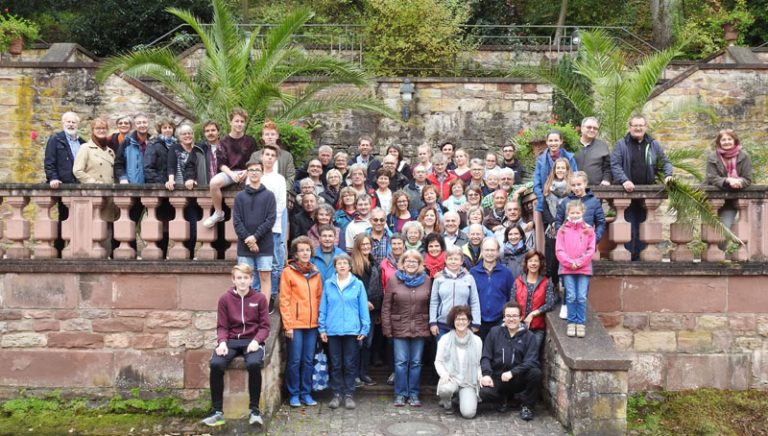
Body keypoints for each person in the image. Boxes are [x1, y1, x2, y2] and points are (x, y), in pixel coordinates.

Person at [202, 264, 270, 428]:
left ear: (251, 279)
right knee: (216, 363)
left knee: (253, 364)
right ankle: (217, 411)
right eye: (239, 278)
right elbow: (222, 326)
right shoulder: (225, 299)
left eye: (246, 278)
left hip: (252, 341)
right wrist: (222, 342)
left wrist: (256, 341)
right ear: (233, 280)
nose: (242, 281)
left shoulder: (259, 298)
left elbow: (265, 327)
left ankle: (254, 411)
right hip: (231, 341)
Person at [610, 115, 673, 260]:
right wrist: (624, 180)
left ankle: (639, 259)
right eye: (635, 125)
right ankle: (627, 259)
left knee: (643, 228)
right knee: (629, 227)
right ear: (629, 127)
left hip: (646, 195)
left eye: (641, 125)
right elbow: (615, 165)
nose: (638, 128)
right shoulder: (621, 144)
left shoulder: (653, 144)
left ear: (646, 127)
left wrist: (668, 174)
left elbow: (666, 162)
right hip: (627, 194)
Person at [319, 254, 371, 410]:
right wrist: (322, 328)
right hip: (333, 330)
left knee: (349, 364)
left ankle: (348, 394)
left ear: (350, 266)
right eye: (339, 263)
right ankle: (336, 394)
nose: (341, 266)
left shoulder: (358, 284)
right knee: (335, 364)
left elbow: (363, 308)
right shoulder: (328, 284)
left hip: (351, 331)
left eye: (344, 263)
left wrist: (365, 327)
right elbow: (323, 307)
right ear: (335, 267)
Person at [382, 249, 432, 407]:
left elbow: (431, 305)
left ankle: (414, 394)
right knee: (401, 362)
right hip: (399, 327)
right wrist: (387, 328)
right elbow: (386, 306)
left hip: (419, 326)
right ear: (402, 263)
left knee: (416, 362)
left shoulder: (427, 280)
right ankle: (400, 394)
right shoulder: (393, 279)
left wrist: (431, 325)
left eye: (414, 262)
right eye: (408, 261)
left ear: (419, 264)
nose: (411, 264)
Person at [479, 302, 542, 421]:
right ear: (504, 317)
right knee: (483, 393)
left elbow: (532, 361)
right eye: (508, 316)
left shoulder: (529, 336)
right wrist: (486, 374)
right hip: (498, 377)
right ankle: (503, 398)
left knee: (535, 373)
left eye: (514, 316)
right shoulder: (494, 332)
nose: (511, 319)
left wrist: (512, 372)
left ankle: (527, 406)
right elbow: (486, 356)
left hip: (518, 378)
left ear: (521, 317)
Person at [280, 236, 323, 407]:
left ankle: (306, 393)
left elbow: (319, 299)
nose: (305, 253)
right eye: (301, 250)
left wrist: (320, 323)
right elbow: (284, 300)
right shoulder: (288, 272)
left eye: (307, 250)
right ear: (295, 254)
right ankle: (294, 394)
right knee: (295, 360)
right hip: (295, 325)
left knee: (308, 360)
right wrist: (287, 325)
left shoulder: (316, 272)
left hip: (312, 325)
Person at [232, 156, 277, 306]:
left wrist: (255, 238)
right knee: (244, 278)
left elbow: (270, 220)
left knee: (265, 276)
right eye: (251, 170)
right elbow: (237, 221)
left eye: (257, 170)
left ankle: (262, 311)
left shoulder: (269, 195)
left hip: (264, 243)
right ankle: (246, 309)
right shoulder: (239, 197)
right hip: (244, 244)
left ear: (262, 173)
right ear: (247, 173)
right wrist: (249, 241)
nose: (254, 173)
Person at [204, 108, 258, 228]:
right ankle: (218, 213)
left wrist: (247, 171)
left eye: (242, 121)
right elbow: (221, 164)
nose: (239, 124)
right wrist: (232, 174)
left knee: (255, 185)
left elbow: (255, 161)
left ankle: (253, 215)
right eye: (236, 121)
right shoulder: (223, 142)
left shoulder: (250, 141)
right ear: (231, 122)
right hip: (229, 172)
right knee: (214, 183)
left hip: (247, 172)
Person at [556, 200, 596, 338]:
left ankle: (581, 322)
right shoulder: (562, 230)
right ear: (568, 213)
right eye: (572, 212)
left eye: (577, 212)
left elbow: (591, 249)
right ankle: (571, 322)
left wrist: (579, 262)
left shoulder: (588, 229)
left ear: (582, 212)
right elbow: (559, 250)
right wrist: (569, 262)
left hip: (583, 268)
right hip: (568, 269)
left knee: (581, 296)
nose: (574, 215)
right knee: (571, 296)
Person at [435, 305, 483, 418]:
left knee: (469, 414)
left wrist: (480, 377)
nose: (461, 322)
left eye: (464, 319)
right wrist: (444, 374)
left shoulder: (477, 341)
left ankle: (461, 398)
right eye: (458, 319)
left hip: (468, 381)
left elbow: (479, 363)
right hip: (451, 378)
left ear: (469, 321)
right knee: (445, 389)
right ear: (453, 321)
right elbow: (438, 361)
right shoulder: (445, 339)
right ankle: (448, 404)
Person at [257, 142, 289, 310]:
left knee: (275, 263)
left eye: (272, 155)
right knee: (257, 263)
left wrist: (269, 223)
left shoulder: (279, 179)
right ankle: (257, 295)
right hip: (255, 229)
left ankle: (272, 295)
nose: (269, 158)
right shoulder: (255, 175)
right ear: (262, 157)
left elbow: (280, 204)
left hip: (274, 227)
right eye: (266, 155)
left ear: (275, 159)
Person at [350, 234, 383, 387]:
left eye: (367, 244)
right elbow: (352, 289)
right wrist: (364, 302)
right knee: (358, 343)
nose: (365, 247)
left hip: (372, 309)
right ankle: (355, 374)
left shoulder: (374, 262)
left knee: (368, 343)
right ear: (357, 246)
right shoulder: (353, 265)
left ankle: (364, 373)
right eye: (362, 245)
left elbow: (377, 286)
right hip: (357, 310)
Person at [165, 124, 202, 258]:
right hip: (181, 193)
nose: (187, 136)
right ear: (179, 136)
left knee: (196, 227)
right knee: (185, 227)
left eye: (189, 133)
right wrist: (170, 179)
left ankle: (189, 255)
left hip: (197, 193)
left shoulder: (198, 149)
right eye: (184, 134)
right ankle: (186, 256)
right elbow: (171, 164)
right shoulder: (175, 148)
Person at [705, 129, 752, 231]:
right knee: (710, 230)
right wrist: (727, 180)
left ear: (735, 140)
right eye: (723, 140)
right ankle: (714, 248)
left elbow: (747, 179)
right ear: (719, 142)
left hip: (731, 200)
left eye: (729, 139)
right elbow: (712, 177)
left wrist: (739, 182)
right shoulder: (712, 157)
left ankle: (721, 248)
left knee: (725, 228)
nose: (727, 142)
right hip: (712, 199)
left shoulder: (744, 156)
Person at [429, 246, 481, 338]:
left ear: (461, 261)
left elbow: (474, 301)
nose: (453, 262)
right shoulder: (439, 279)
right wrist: (433, 322)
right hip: (442, 325)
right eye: (450, 259)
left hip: (463, 324)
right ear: (445, 260)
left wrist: (476, 322)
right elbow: (434, 302)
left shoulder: (469, 278)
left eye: (456, 259)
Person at [470, 238, 514, 341]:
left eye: (492, 250)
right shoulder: (473, 273)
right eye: (487, 250)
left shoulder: (506, 273)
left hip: (499, 321)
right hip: (478, 322)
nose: (489, 253)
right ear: (482, 251)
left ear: (498, 252)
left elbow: (511, 298)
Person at [514, 251, 556, 348]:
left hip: (537, 328)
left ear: (540, 263)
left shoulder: (546, 282)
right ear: (526, 263)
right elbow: (512, 303)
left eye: (536, 261)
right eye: (530, 261)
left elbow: (550, 303)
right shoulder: (517, 282)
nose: (533, 263)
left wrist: (533, 314)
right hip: (518, 326)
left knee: (532, 356)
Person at [542, 157, 572, 290]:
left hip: (567, 228)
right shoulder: (548, 186)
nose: (560, 170)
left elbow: (574, 207)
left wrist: (563, 223)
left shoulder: (571, 188)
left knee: (565, 258)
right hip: (552, 229)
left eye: (563, 168)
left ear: (567, 170)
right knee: (552, 260)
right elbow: (544, 208)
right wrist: (553, 222)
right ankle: (552, 287)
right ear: (554, 170)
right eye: (558, 168)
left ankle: (565, 287)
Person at [533, 130, 578, 218]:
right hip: (547, 199)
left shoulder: (569, 158)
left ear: (561, 141)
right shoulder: (541, 161)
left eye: (556, 140)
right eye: (550, 141)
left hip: (567, 197)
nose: (553, 143)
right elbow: (536, 182)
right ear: (546, 142)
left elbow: (575, 178)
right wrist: (541, 197)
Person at [555, 171, 606, 243]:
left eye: (579, 184)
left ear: (585, 184)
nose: (576, 188)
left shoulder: (594, 202)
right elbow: (558, 221)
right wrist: (562, 237)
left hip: (587, 243)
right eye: (573, 185)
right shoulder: (565, 202)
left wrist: (595, 239)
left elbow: (600, 223)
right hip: (569, 243)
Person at [45, 111, 85, 189]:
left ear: (78, 125)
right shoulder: (55, 139)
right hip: (62, 184)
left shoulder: (82, 142)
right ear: (63, 123)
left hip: (79, 184)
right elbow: (49, 161)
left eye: (74, 122)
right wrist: (53, 178)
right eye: (68, 122)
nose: (71, 124)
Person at [73, 117, 114, 185]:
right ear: (93, 130)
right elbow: (77, 171)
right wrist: (93, 182)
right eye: (98, 128)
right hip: (92, 191)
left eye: (104, 128)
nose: (101, 131)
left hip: (109, 191)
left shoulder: (110, 151)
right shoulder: (85, 148)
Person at [574, 117, 611, 186]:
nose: (592, 130)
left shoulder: (602, 146)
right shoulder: (572, 144)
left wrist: (606, 180)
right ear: (582, 128)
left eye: (595, 128)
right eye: (589, 127)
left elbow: (608, 167)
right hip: (573, 189)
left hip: (596, 189)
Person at [144, 118, 177, 184]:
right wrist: (161, 183)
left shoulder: (176, 145)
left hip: (175, 184)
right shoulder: (153, 144)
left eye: (170, 127)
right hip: (159, 185)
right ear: (160, 130)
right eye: (164, 128)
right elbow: (148, 168)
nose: (168, 130)